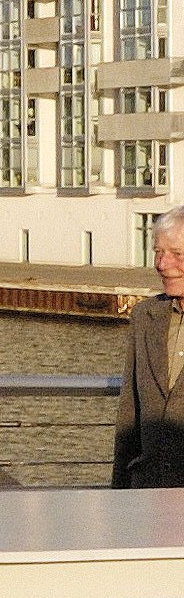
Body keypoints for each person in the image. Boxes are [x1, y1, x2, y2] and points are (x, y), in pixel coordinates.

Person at [113, 208, 184, 487]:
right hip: (148, 493)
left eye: (177, 254)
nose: (162, 264)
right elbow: (129, 415)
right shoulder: (145, 317)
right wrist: (118, 497)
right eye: (158, 252)